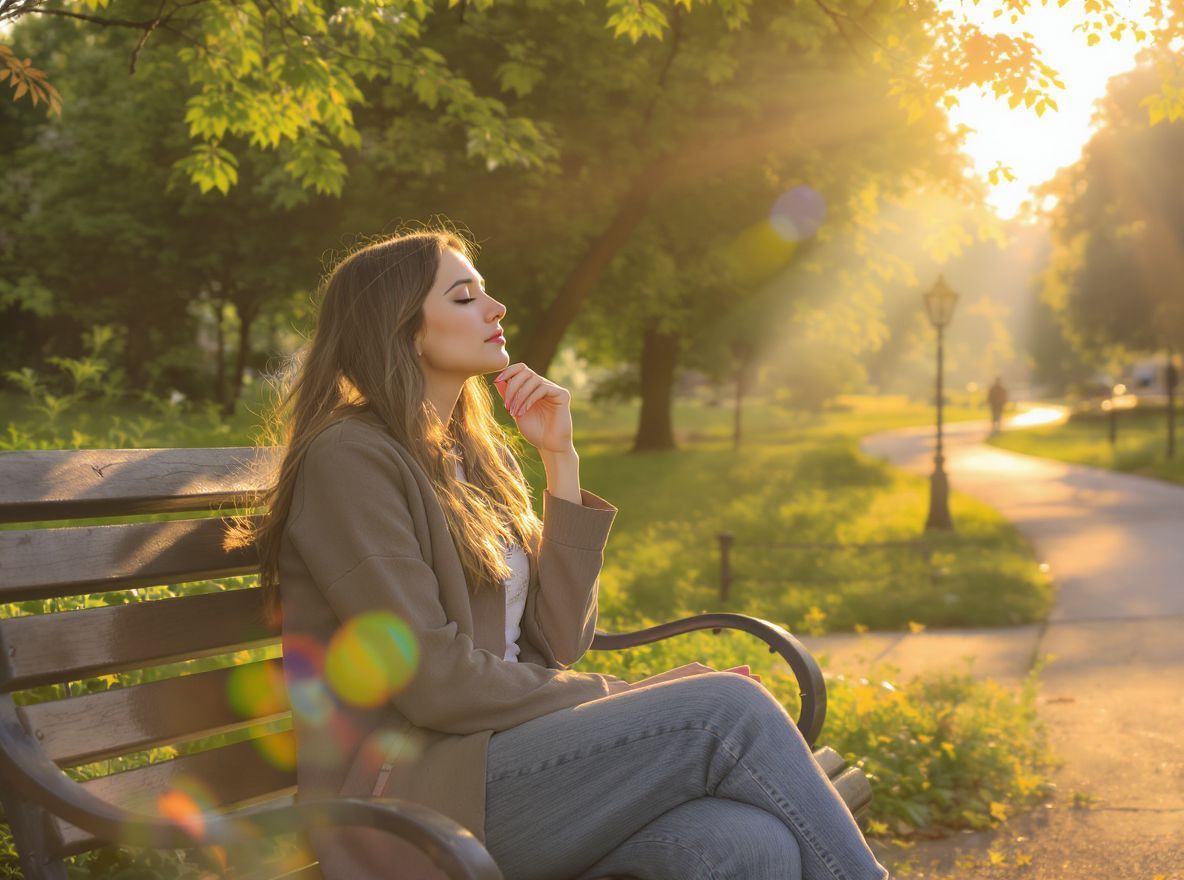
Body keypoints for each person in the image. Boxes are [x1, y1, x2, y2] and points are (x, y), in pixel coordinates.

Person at [240, 228, 889, 880]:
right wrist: (625, 693)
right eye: (465, 297)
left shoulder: (472, 455)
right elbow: (435, 682)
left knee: (745, 841)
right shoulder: (350, 458)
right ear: (403, 329)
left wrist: (560, 459)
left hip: (507, 763)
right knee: (727, 710)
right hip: (412, 794)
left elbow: (559, 640)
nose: (496, 308)